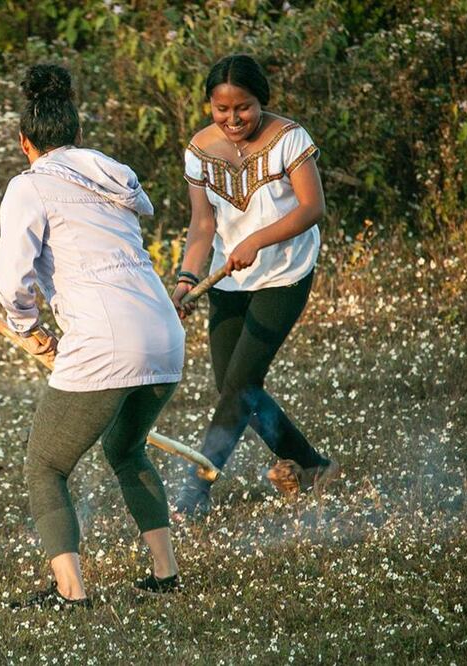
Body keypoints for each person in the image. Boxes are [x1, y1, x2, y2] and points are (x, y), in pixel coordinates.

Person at [0, 64, 186, 609]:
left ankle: (70, 591)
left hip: (107, 341)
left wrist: (27, 328)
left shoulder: (28, 185)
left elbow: (14, 276)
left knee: (46, 465)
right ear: (78, 136)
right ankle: (165, 573)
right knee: (125, 449)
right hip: (164, 334)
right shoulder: (112, 176)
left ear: (23, 143)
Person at [172, 54, 340, 518]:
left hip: (285, 273)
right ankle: (312, 464)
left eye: (242, 108)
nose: (232, 119)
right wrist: (187, 278)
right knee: (234, 387)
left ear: (260, 100)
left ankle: (195, 490)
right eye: (221, 109)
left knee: (240, 386)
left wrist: (257, 239)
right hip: (229, 280)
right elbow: (202, 223)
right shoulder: (198, 150)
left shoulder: (290, 139)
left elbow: (312, 208)